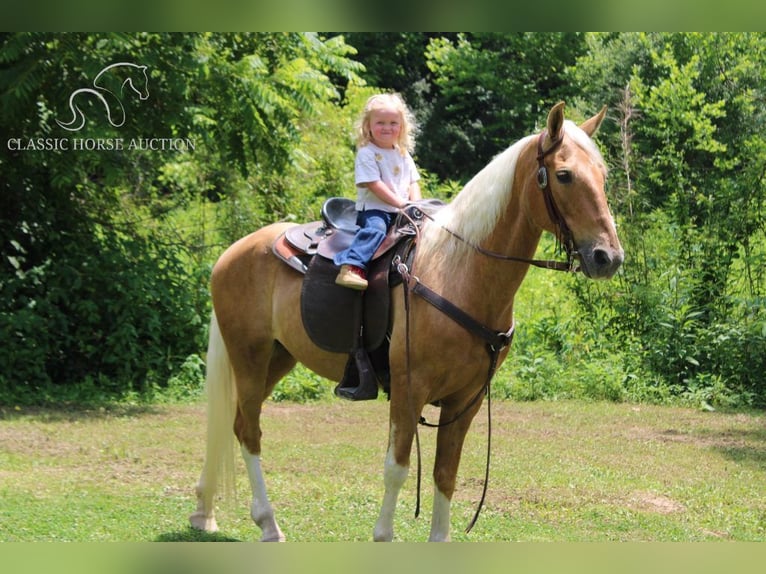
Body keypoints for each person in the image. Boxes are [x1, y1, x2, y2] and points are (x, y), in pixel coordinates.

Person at [334, 93, 422, 290]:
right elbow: (374, 184)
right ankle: (352, 265)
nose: (387, 127)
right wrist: (401, 204)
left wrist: (417, 206)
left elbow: (413, 182)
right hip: (376, 210)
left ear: (401, 127)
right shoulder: (367, 153)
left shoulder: (402, 153)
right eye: (380, 122)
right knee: (376, 230)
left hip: (402, 211)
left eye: (393, 123)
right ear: (368, 126)